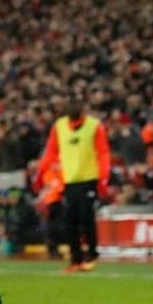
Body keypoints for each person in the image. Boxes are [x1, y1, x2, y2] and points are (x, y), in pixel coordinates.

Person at [33, 98, 110, 273]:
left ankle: (91, 254)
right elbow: (50, 152)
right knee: (69, 220)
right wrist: (40, 173)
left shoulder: (94, 126)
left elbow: (103, 153)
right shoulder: (59, 127)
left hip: (89, 178)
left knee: (86, 218)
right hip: (69, 181)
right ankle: (76, 258)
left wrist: (103, 179)